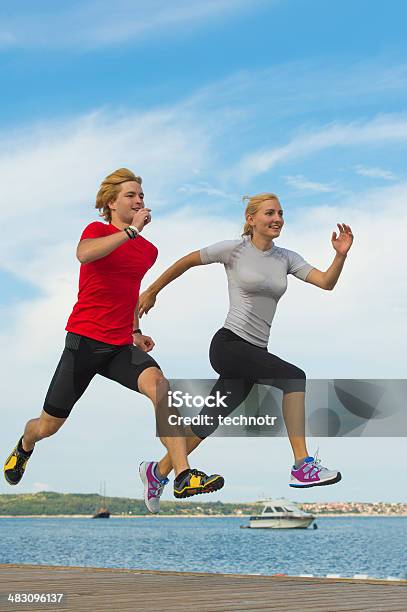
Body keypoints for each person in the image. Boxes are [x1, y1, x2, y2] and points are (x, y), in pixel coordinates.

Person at [3, 168, 224, 514]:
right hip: (84, 343)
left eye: (142, 196)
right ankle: (25, 445)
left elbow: (128, 292)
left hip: (121, 346)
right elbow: (85, 255)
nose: (139, 200)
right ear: (111, 203)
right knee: (48, 426)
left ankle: (181, 475)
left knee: (160, 386)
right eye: (131, 195)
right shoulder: (97, 231)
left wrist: (135, 331)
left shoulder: (147, 251)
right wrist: (130, 231)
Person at [138, 192, 354, 493]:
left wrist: (340, 255)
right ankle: (302, 465)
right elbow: (187, 261)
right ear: (250, 219)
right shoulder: (233, 250)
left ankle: (157, 472)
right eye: (269, 213)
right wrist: (151, 291)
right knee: (294, 378)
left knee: (205, 424)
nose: (277, 218)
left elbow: (326, 282)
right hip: (229, 345)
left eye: (280, 213)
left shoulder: (286, 258)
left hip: (254, 353)